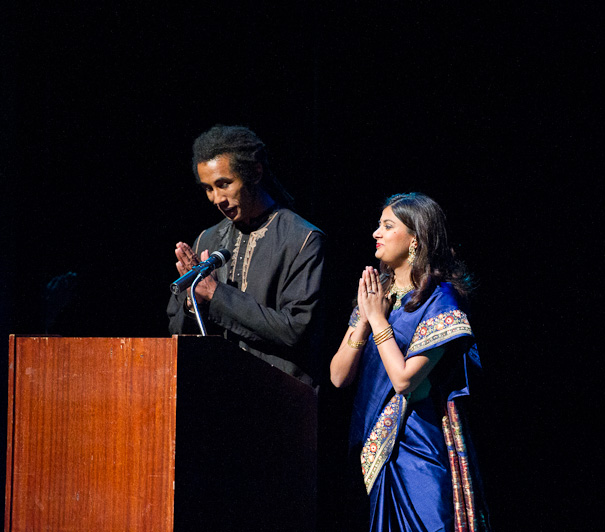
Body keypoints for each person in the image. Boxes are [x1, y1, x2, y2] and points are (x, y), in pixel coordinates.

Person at [330, 192, 490, 531]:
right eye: (379, 225)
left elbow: (404, 380)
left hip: (417, 448)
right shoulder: (377, 294)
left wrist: (378, 320)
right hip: (369, 442)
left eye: (388, 226)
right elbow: (338, 377)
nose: (376, 233)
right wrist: (364, 319)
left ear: (415, 238)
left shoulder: (440, 300)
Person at [167, 125, 325, 386]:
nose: (216, 199)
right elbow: (177, 332)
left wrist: (216, 293)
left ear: (255, 173)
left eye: (224, 184)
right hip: (219, 390)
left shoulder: (302, 239)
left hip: (280, 393)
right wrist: (194, 302)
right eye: (208, 188)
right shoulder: (206, 240)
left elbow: (295, 330)